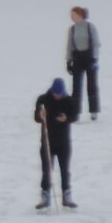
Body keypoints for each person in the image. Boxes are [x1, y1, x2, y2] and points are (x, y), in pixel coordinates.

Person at [34, 77, 78, 210]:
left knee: (65, 169)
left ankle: (66, 195)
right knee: (47, 169)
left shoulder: (69, 101)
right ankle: (45, 195)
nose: (58, 96)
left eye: (60, 93)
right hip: (48, 141)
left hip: (63, 142)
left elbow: (74, 115)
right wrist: (40, 115)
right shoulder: (43, 100)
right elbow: (36, 117)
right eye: (56, 93)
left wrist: (66, 118)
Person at [65, 5, 101, 115]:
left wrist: (94, 59)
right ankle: (75, 111)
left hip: (89, 57)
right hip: (77, 58)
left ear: (80, 15)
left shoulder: (90, 27)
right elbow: (69, 45)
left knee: (92, 85)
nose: (72, 17)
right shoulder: (72, 29)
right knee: (76, 87)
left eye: (73, 15)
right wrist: (68, 61)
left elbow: (96, 44)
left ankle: (93, 111)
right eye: (71, 15)